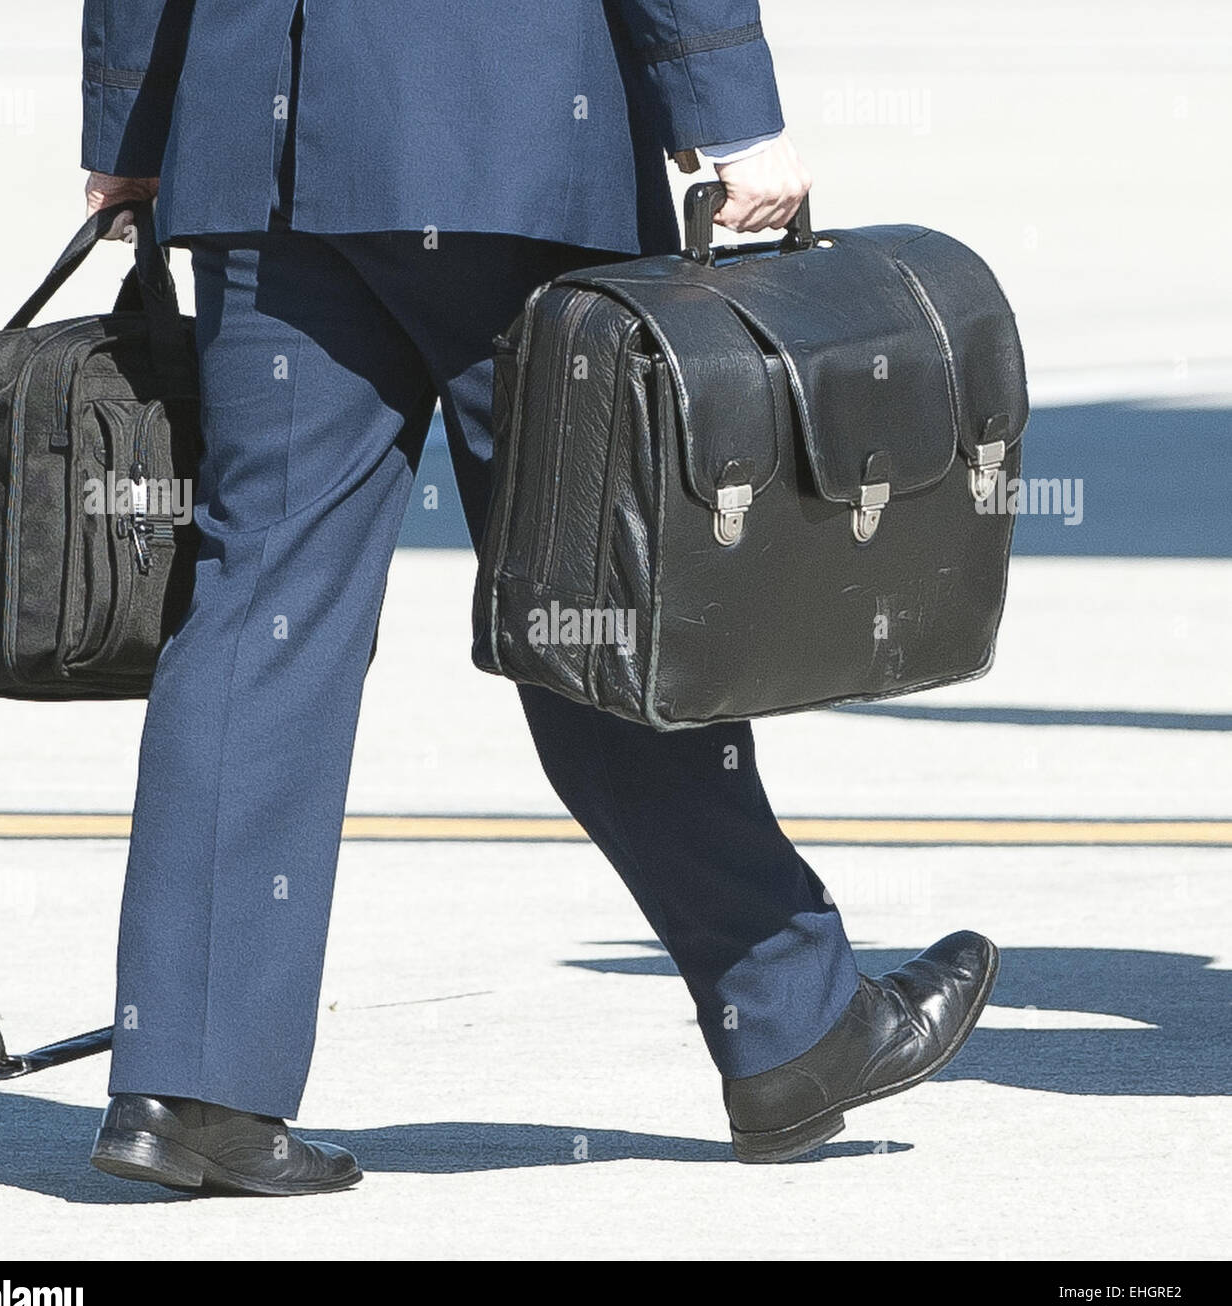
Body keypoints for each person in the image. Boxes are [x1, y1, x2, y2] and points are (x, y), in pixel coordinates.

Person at [81, 0, 998, 1195]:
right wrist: (729, 108)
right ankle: (792, 1019)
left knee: (260, 600)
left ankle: (194, 1087)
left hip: (264, 144)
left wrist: (132, 119)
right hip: (500, 138)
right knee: (598, 586)